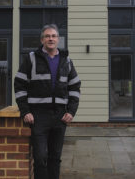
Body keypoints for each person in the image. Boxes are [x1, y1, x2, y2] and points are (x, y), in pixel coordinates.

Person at [14, 24, 81, 179]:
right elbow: (19, 85)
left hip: (60, 116)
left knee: (55, 158)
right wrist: (26, 111)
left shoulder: (66, 60)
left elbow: (75, 87)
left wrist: (71, 111)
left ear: (58, 40)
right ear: (42, 39)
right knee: (40, 157)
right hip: (38, 116)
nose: (51, 39)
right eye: (47, 36)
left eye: (54, 36)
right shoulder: (31, 58)